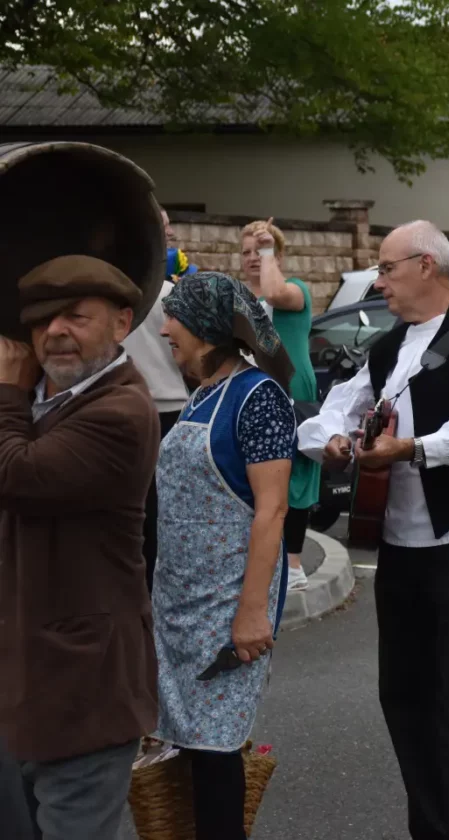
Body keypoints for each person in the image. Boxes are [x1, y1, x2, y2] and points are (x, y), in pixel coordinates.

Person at [298, 221, 449, 840]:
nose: (378, 282)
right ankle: (430, 828)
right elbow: (335, 405)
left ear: (427, 265)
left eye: (386, 268)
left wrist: (412, 449)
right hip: (399, 539)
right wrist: (328, 437)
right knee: (403, 693)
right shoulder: (389, 346)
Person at [0, 256, 160, 839]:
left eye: (74, 316)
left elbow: (16, 474)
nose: (55, 332)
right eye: (41, 321)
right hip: (18, 685)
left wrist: (6, 392)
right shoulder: (37, 399)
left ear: (121, 324)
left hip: (84, 694)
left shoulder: (121, 410)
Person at [153, 272, 295, 840]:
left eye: (174, 319)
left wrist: (252, 613)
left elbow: (272, 511)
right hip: (181, 600)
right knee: (189, 749)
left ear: (207, 331)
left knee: (215, 754)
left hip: (228, 604)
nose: (165, 329)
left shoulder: (259, 398)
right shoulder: (202, 393)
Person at [240, 219, 320, 591]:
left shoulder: (295, 290)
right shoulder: (241, 298)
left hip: (291, 386)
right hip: (252, 387)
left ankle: (294, 565)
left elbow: (273, 294)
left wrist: (269, 248)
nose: (254, 258)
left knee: (295, 472)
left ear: (279, 254)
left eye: (262, 251)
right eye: (247, 253)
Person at [124, 271, 189, 592]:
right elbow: (189, 353)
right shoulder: (166, 292)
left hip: (127, 408)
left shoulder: (106, 294)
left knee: (134, 509)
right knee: (163, 511)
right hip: (169, 407)